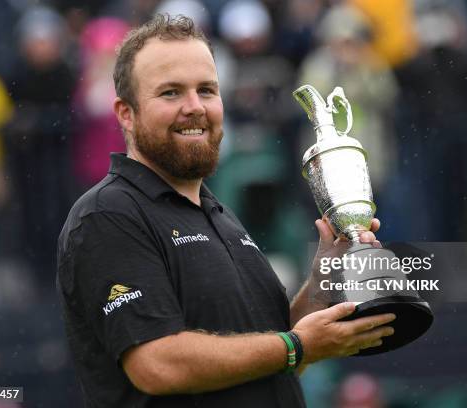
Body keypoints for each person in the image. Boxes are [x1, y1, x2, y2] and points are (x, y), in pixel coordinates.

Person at [56, 14, 395, 408]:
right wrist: (298, 346)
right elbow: (157, 364)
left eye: (206, 90)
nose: (194, 107)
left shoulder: (219, 214)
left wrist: (322, 283)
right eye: (170, 93)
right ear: (126, 114)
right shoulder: (108, 215)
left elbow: (269, 355)